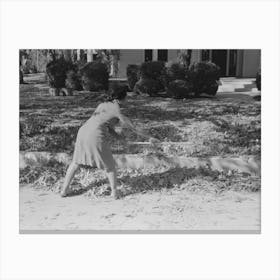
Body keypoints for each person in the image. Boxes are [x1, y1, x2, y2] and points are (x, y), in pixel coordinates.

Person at [60, 86, 157, 199]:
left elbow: (107, 126)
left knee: (76, 162)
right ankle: (115, 193)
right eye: (126, 98)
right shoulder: (116, 109)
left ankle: (64, 190)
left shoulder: (102, 105)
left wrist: (120, 138)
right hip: (95, 135)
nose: (127, 101)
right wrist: (149, 137)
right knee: (110, 166)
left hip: (83, 132)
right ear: (119, 99)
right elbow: (133, 127)